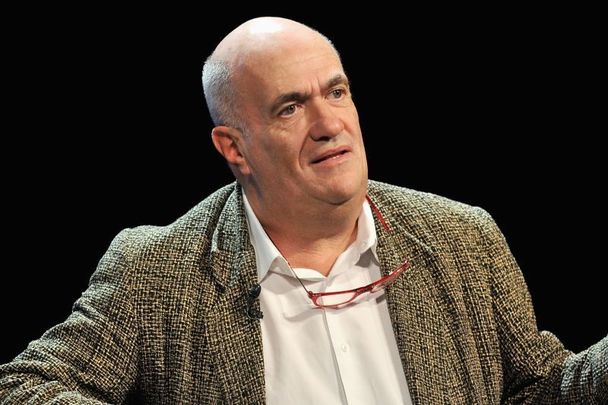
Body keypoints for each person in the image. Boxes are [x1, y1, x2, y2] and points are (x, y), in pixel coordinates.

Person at [1, 16, 606, 404]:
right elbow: (27, 387)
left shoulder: (462, 240)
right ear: (234, 147)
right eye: (290, 108)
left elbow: (541, 391)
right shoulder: (157, 272)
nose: (328, 124)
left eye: (336, 92)